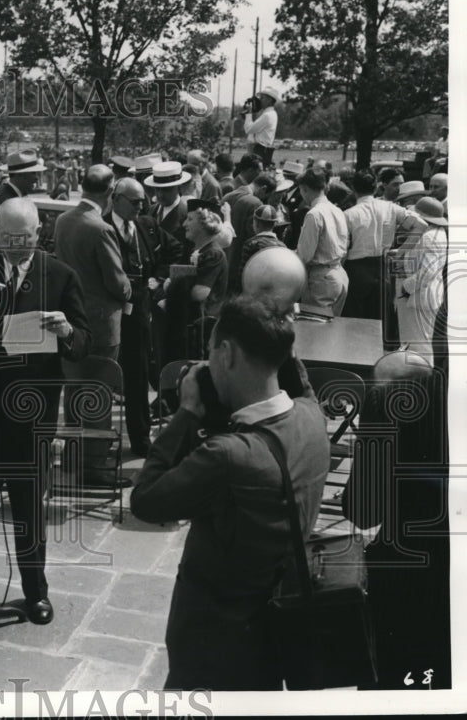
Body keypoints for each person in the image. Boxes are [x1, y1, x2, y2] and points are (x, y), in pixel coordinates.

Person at [130, 295, 330, 689]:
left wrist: (187, 411)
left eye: (211, 351)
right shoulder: (312, 417)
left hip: (213, 638)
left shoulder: (227, 455)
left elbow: (145, 501)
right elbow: (297, 380)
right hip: (273, 630)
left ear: (227, 353)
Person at [0, 197, 91, 624]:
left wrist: (67, 329)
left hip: (33, 414)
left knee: (30, 507)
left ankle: (35, 590)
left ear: (38, 234)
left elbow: (85, 342)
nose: (17, 247)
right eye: (8, 239)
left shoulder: (60, 274)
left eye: (25, 239)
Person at [342, 351, 450, 689]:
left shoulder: (384, 414)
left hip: (403, 579)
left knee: (394, 676)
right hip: (451, 582)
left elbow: (361, 511)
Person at [107, 177, 183, 455]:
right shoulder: (102, 227)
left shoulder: (147, 225)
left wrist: (158, 278)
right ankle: (99, 443)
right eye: (135, 202)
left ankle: (140, 441)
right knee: (108, 377)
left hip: (139, 312)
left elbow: (174, 248)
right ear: (116, 200)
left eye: (143, 201)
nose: (141, 206)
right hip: (111, 311)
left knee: (138, 377)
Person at [53, 164, 131, 360]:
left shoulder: (62, 220)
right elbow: (117, 283)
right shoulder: (102, 229)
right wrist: (129, 289)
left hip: (71, 320)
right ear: (110, 191)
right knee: (101, 384)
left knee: (75, 383)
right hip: (101, 325)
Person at [342, 169, 414, 320]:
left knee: (354, 318)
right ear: (375, 187)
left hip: (357, 269)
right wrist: (401, 250)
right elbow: (421, 225)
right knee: (379, 319)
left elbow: (343, 247)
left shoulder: (348, 214)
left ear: (354, 189)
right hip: (382, 267)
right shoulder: (390, 208)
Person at [162, 201, 229, 361]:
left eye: (190, 220)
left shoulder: (213, 254)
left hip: (203, 327)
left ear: (204, 223)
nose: (185, 224)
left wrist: (172, 286)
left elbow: (200, 293)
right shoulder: (199, 251)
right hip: (192, 323)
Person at [393, 197, 447, 366]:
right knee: (414, 345)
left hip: (418, 298)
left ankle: (422, 384)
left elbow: (427, 272)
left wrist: (405, 287)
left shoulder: (430, 237)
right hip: (421, 297)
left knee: (419, 347)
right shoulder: (435, 234)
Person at [295, 168, 349, 315]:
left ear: (304, 189)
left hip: (321, 279)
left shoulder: (314, 214)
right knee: (331, 330)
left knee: (314, 330)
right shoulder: (337, 210)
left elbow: (305, 255)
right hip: (339, 275)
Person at [145, 161, 192, 260]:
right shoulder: (152, 210)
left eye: (167, 190)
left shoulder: (188, 215)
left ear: (179, 188)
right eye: (157, 189)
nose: (160, 195)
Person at [234, 204, 284, 290]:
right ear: (274, 224)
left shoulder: (251, 244)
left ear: (256, 223)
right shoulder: (282, 247)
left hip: (253, 292)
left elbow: (243, 274)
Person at [0, 149, 45, 222]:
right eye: (33, 173)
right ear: (20, 175)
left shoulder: (12, 196)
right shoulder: (8, 202)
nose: (36, 178)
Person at [241, 86, 280, 167]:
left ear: (269, 100)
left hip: (260, 151)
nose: (259, 100)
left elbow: (248, 129)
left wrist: (248, 113)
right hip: (262, 150)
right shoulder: (271, 114)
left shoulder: (267, 115)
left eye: (262, 98)